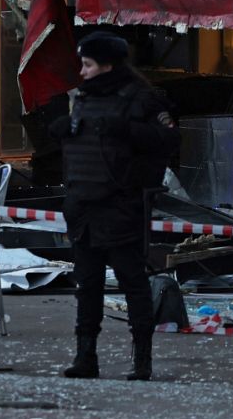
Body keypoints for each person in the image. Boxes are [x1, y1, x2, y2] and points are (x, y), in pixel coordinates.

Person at [48, 32, 177, 382]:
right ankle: (85, 357)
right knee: (86, 287)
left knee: (132, 284)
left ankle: (141, 362)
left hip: (120, 208)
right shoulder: (86, 99)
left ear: (107, 66)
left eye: (88, 65)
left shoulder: (141, 99)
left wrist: (127, 130)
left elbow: (169, 140)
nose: (83, 72)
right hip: (84, 210)